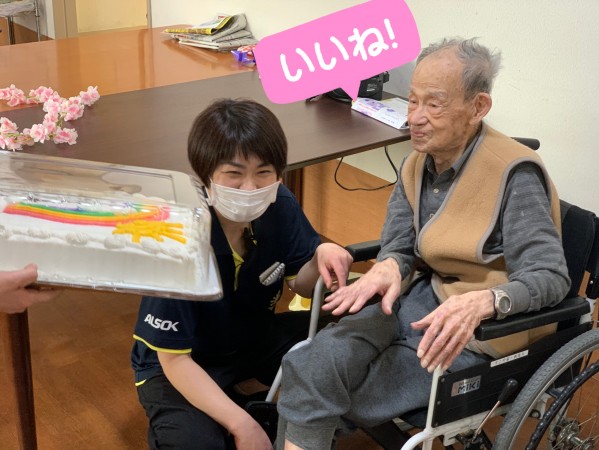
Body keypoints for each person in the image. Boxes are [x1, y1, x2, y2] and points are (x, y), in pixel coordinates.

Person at [276, 37, 571, 450]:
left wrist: (486, 301)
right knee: (312, 364)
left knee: (329, 391)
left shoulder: (514, 174)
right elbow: (400, 245)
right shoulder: (417, 162)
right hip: (417, 302)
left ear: (478, 107)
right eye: (412, 101)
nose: (415, 117)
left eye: (434, 104)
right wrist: (389, 265)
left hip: (477, 330)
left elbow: (551, 276)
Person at [130, 98, 353, 450]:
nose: (250, 188)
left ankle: (246, 395)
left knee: (351, 332)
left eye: (263, 173)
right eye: (234, 174)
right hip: (183, 361)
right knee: (196, 443)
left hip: (252, 339)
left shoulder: (279, 204)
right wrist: (243, 426)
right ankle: (234, 406)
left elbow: (302, 286)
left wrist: (320, 258)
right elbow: (173, 358)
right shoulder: (178, 236)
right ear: (206, 176)